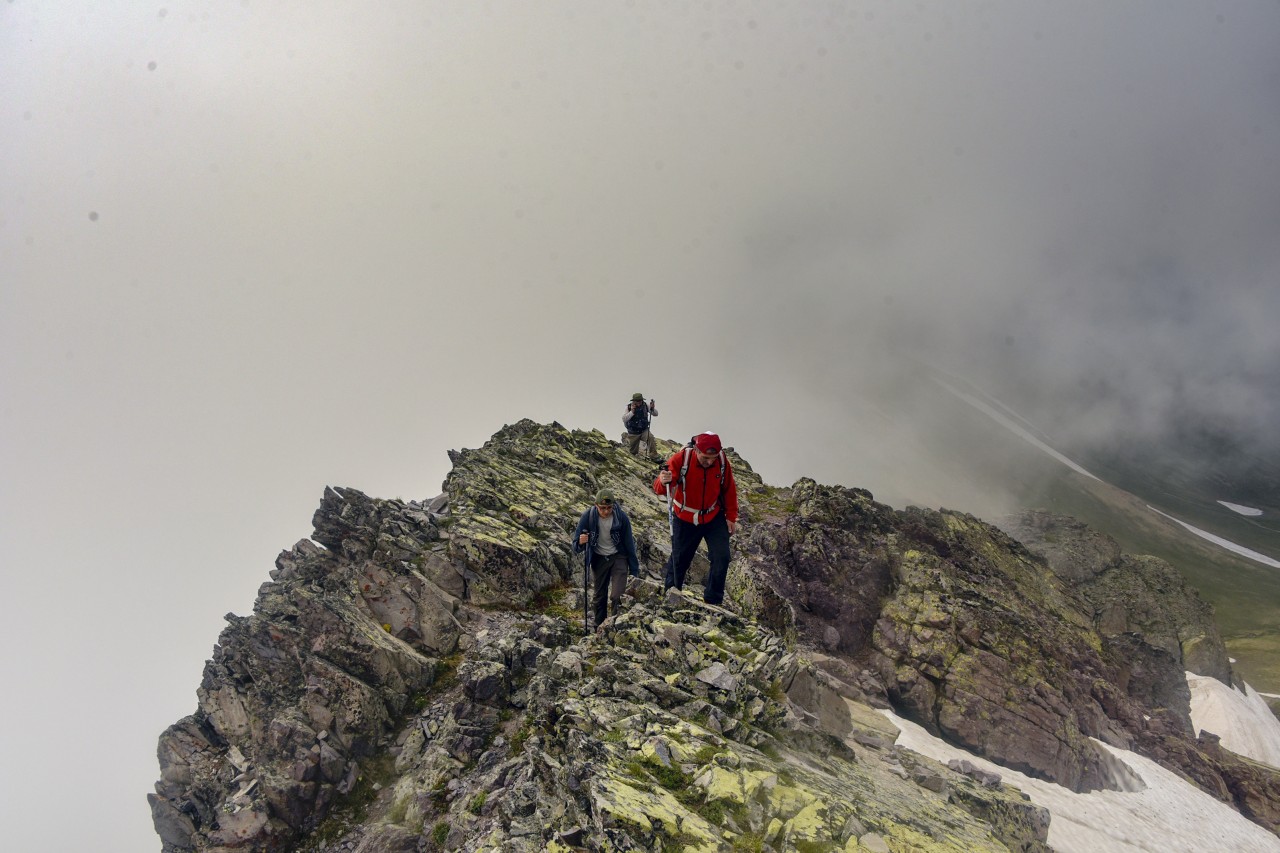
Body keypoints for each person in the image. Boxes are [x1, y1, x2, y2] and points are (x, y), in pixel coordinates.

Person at [653, 432, 738, 606]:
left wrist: (731, 516)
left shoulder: (721, 461)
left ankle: (713, 601)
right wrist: (663, 481)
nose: (710, 461)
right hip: (685, 517)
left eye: (713, 458)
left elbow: (729, 488)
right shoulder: (681, 459)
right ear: (696, 450)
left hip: (713, 515)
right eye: (706, 457)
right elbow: (661, 489)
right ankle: (671, 595)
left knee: (722, 556)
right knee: (679, 558)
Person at [571, 489, 639, 630]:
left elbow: (629, 545)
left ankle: (615, 626)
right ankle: (599, 627)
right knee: (599, 596)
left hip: (618, 557)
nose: (606, 511)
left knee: (617, 596)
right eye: (602, 508)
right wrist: (581, 542)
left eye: (609, 508)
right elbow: (575, 546)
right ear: (596, 506)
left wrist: (634, 572)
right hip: (599, 558)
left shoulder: (622, 518)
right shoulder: (588, 517)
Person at [621, 392, 659, 458]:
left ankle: (654, 456)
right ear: (634, 401)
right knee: (633, 451)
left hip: (644, 430)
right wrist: (632, 412)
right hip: (633, 432)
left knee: (650, 438)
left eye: (640, 401)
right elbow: (624, 419)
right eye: (637, 401)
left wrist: (652, 408)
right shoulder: (629, 407)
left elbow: (655, 414)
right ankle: (633, 459)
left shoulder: (646, 405)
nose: (639, 402)